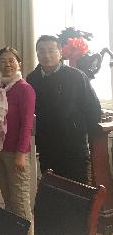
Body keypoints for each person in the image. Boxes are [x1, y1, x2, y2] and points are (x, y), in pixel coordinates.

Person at [26, 34, 101, 183]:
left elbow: (93, 109)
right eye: (42, 51)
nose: (46, 55)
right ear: (37, 54)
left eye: (51, 50)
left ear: (60, 52)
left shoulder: (77, 76)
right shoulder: (32, 79)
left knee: (77, 189)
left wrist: (88, 139)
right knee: (52, 187)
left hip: (74, 146)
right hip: (47, 146)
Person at [0, 47, 35, 234]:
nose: (7, 64)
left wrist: (21, 154)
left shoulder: (25, 89)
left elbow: (27, 125)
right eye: (3, 61)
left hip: (16, 154)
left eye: (11, 60)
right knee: (8, 201)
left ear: (19, 63)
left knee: (21, 204)